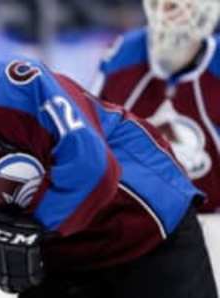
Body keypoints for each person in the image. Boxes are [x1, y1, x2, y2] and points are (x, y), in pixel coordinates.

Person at [0, 8, 217, 298]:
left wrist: (32, 226)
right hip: (66, 259)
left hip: (146, 230)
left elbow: (94, 170)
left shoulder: (20, 88)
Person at [91, 0, 220, 213]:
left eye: (184, 4)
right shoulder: (124, 54)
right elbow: (88, 137)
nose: (173, 14)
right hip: (137, 221)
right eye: (168, 5)